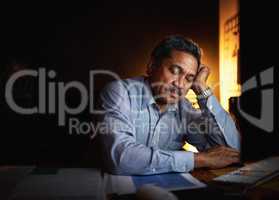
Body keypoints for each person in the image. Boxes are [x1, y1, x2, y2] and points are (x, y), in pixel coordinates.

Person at [98, 35, 240, 175]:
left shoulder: (184, 108)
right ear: (152, 66)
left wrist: (202, 89)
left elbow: (230, 151)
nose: (179, 84)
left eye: (189, 78)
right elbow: (120, 159)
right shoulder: (119, 93)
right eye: (175, 71)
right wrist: (199, 159)